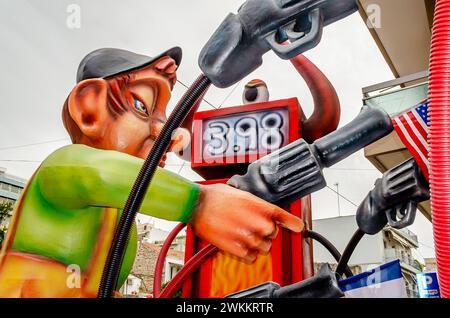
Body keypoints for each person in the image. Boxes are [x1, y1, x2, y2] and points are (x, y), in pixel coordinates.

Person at [0, 47, 303, 297]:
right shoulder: (65, 165)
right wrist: (198, 203)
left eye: (164, 115)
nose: (165, 131)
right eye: (142, 106)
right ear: (90, 108)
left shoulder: (121, 214)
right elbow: (102, 174)